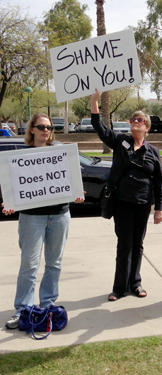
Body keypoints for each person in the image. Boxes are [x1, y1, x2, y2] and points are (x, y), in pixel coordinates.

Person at [3, 113, 84, 329]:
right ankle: (23, 310)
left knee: (54, 263)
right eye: (41, 127)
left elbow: (72, 181)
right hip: (32, 218)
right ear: (32, 130)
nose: (45, 130)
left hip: (59, 215)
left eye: (48, 127)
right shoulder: (21, 157)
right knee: (29, 265)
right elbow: (12, 187)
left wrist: (76, 192)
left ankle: (48, 304)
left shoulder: (61, 153)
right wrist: (9, 202)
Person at [91, 89, 162, 301]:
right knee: (124, 244)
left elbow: (159, 182)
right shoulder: (121, 142)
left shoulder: (153, 152)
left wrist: (158, 209)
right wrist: (95, 101)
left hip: (142, 204)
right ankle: (119, 287)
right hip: (122, 202)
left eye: (140, 120)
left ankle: (135, 283)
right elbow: (100, 128)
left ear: (147, 127)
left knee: (137, 244)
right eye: (133, 119)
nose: (135, 122)